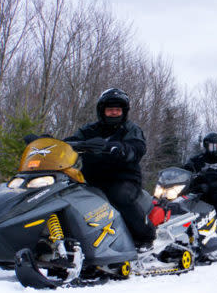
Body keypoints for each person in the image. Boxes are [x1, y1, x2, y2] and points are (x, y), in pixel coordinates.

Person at [66, 87, 156, 249]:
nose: (114, 113)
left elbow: (138, 147)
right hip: (91, 179)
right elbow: (70, 142)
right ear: (102, 111)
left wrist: (121, 149)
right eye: (110, 110)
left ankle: (145, 236)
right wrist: (48, 143)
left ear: (124, 111)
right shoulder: (89, 130)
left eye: (117, 109)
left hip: (124, 179)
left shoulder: (130, 129)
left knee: (120, 196)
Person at [184, 132, 217, 238]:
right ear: (206, 146)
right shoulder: (197, 159)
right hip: (197, 189)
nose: (216, 149)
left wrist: (210, 186)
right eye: (212, 146)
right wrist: (187, 169)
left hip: (215, 191)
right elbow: (186, 170)